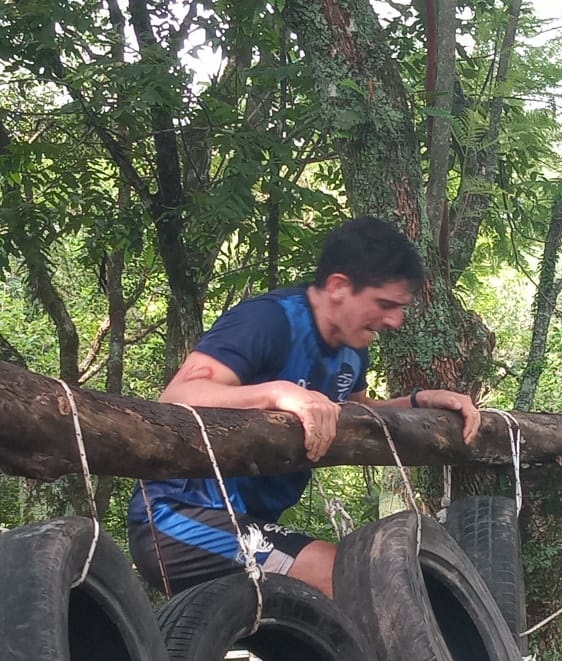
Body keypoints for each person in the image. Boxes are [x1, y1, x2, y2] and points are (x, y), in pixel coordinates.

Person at [127, 216, 481, 598]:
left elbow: (357, 415)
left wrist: (420, 401)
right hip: (176, 519)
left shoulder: (352, 353)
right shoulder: (269, 320)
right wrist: (277, 393)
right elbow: (178, 394)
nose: (395, 321)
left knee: (336, 607)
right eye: (385, 305)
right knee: (343, 576)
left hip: (252, 527)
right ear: (339, 287)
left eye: (400, 308)